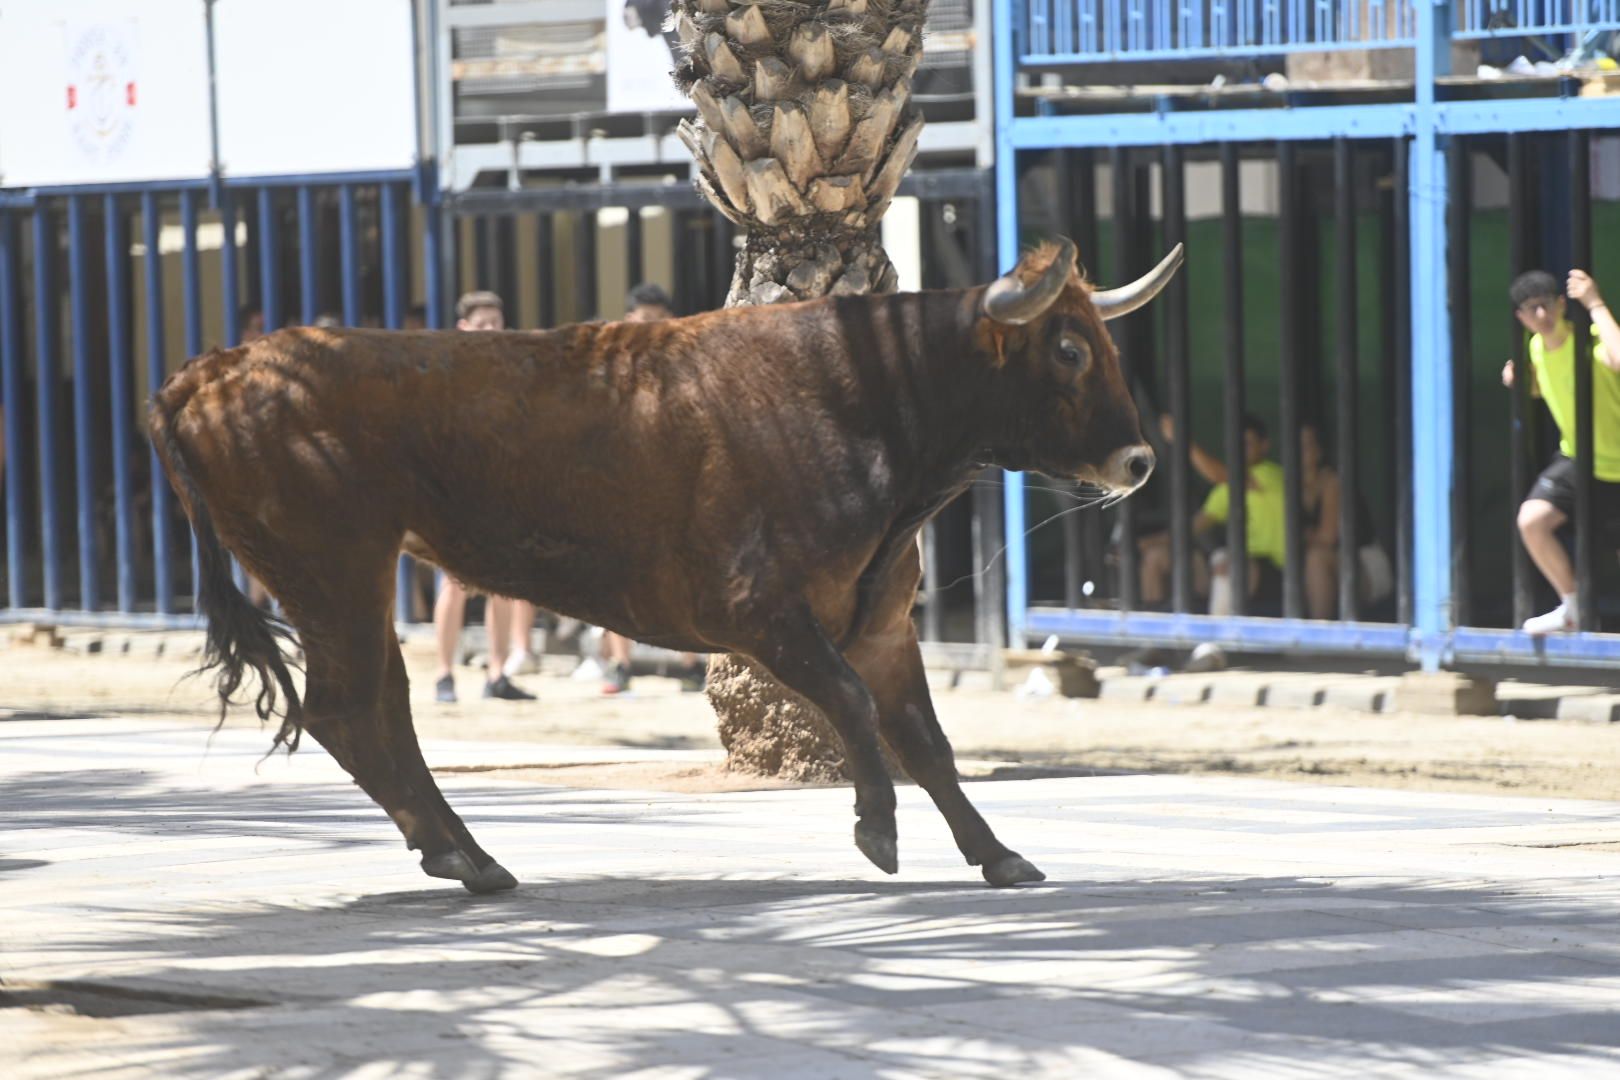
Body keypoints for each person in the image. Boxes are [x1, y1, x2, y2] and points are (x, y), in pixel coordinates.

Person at [598, 284, 706, 694]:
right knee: (619, 575)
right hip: (623, 480)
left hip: (675, 480)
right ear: (630, 320)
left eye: (660, 318)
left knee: (686, 571)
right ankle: (619, 664)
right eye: (645, 319)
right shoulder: (612, 365)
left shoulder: (685, 365)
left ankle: (692, 662)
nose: (653, 327)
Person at [1502, 267, 1620, 634]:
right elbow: (1550, 386)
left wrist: (1596, 303)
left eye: (1547, 305)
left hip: (1616, 464)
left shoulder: (1588, 340)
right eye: (1531, 309)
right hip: (1578, 459)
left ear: (1562, 305)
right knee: (1532, 520)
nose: (1541, 315)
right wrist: (1522, 381)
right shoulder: (1535, 348)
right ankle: (1572, 606)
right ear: (1521, 318)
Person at [433, 291, 537, 702]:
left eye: (498, 321)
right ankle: (444, 673)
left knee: (503, 583)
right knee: (454, 583)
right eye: (483, 323)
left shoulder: (512, 373)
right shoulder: (448, 374)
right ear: (464, 328)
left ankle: (497, 672)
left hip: (503, 484)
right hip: (459, 487)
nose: (493, 329)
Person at [1151, 414, 1286, 616]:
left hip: (1275, 571)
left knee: (1228, 562)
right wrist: (1144, 544)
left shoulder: (1271, 474)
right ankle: (1150, 633)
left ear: (1264, 446)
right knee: (1156, 557)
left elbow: (1217, 475)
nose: (1240, 450)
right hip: (1237, 565)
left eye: (1247, 444)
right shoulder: (1226, 489)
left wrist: (1181, 439)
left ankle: (1218, 640)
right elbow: (1193, 528)